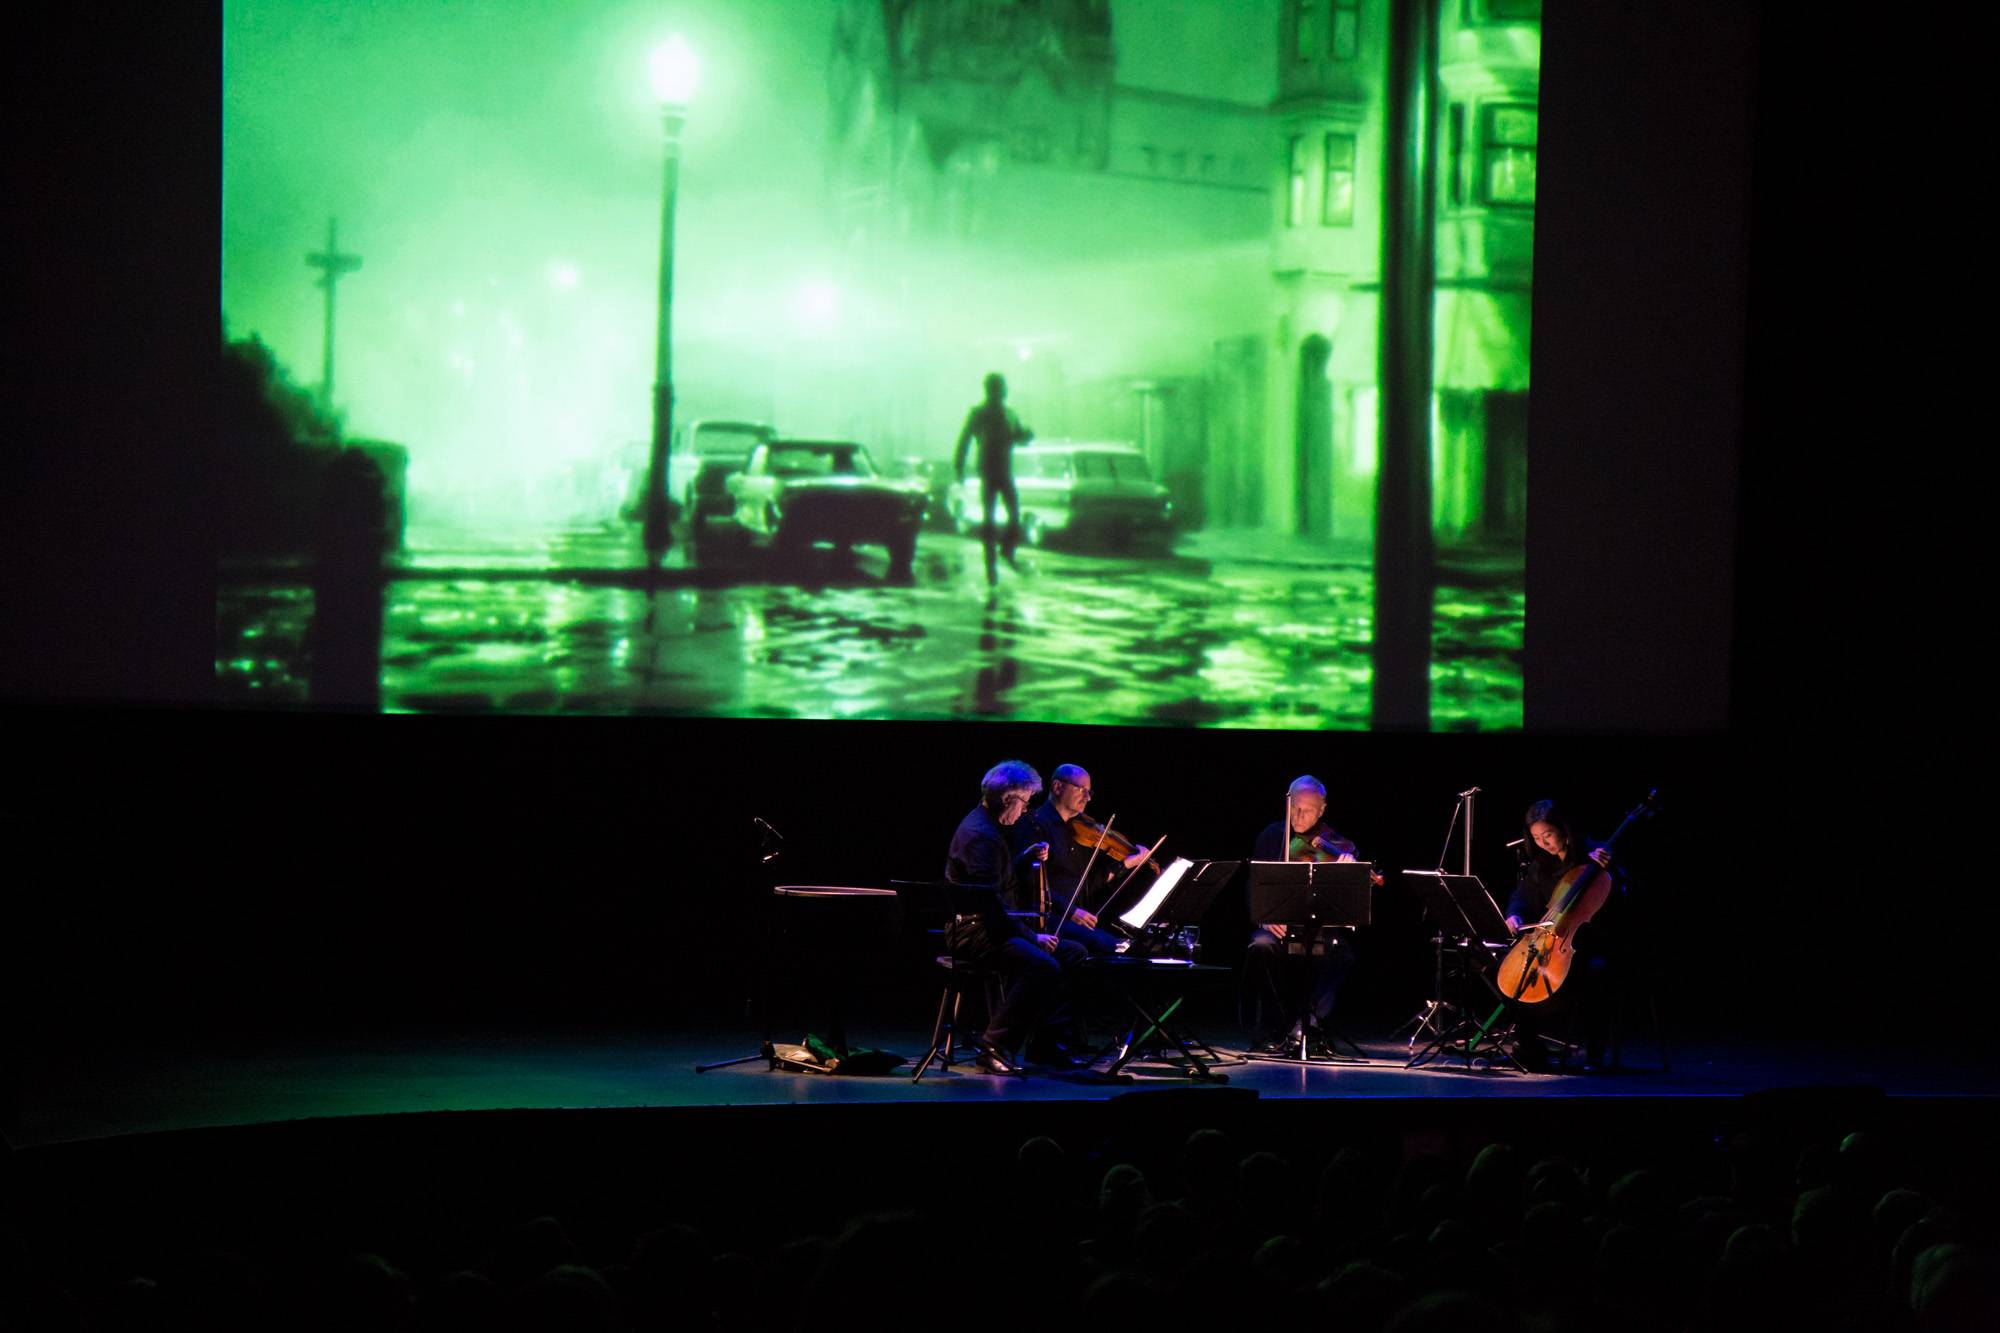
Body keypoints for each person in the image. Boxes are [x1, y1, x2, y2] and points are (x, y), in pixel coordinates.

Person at [945, 760, 1091, 1071]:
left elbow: (996, 883)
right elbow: (991, 909)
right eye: (1025, 802)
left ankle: (1046, 1045)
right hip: (976, 932)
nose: (1026, 810)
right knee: (1042, 964)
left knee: (1074, 953)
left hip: (991, 925)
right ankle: (994, 1045)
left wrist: (1024, 858)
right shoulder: (981, 834)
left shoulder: (987, 827)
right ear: (1009, 798)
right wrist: (1033, 937)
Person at [1243, 776, 1363, 1057]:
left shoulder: (1339, 845)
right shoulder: (1272, 835)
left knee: (1342, 955)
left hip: (1317, 927)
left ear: (1322, 810)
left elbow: (1347, 905)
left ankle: (1306, 1027)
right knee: (1260, 947)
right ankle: (1271, 1030)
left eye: (1308, 810)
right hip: (1276, 926)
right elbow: (1253, 884)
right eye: (1294, 807)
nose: (1299, 815)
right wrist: (1265, 917)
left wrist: (1348, 875)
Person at [1504, 798, 1618, 1071]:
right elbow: (1522, 896)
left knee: (1595, 973)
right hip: (1555, 942)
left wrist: (1608, 868)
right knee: (1515, 973)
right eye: (1536, 838)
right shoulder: (1541, 864)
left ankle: (1595, 1053)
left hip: (1593, 942)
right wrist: (1514, 913)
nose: (1543, 843)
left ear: (1563, 829)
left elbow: (1623, 893)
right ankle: (1529, 1047)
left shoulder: (1593, 856)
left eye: (1548, 835)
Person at [1010, 764, 1151, 956]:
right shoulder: (1033, 824)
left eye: (1089, 791)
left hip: (1072, 919)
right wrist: (1072, 912)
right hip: (1048, 920)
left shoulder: (1078, 830)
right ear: (1058, 787)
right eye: (1081, 789)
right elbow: (1028, 884)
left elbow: (1085, 885)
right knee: (1110, 947)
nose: (1088, 797)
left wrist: (1125, 864)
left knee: (1133, 945)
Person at [954, 372, 1033, 585]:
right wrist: (959, 466)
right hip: (989, 472)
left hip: (1005, 471)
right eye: (1001, 387)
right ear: (992, 389)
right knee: (989, 519)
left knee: (1014, 515)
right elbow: (965, 439)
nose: (1005, 391)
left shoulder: (1009, 413)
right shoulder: (979, 413)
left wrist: (1026, 435)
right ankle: (991, 566)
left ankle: (1006, 550)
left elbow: (1016, 436)